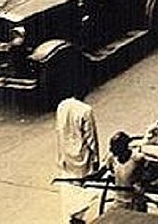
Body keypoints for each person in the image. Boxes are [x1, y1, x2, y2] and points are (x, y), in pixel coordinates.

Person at [55, 95, 99, 224]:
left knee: (70, 188)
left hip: (66, 154)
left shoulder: (62, 106)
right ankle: (78, 216)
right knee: (83, 189)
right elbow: (91, 138)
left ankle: (71, 216)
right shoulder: (86, 110)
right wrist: (96, 158)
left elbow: (59, 130)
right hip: (82, 156)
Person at [104, 131, 145, 211]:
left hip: (134, 203)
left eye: (115, 147)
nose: (111, 149)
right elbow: (101, 172)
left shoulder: (136, 159)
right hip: (119, 201)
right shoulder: (112, 159)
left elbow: (146, 176)